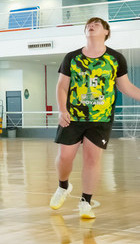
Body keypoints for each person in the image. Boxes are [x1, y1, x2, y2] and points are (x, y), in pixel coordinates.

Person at [50, 17, 140, 219]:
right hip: (73, 116)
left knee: (92, 159)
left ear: (106, 32)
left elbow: (126, 87)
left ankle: (86, 202)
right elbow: (62, 87)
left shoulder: (115, 59)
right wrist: (62, 109)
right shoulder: (72, 57)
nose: (91, 26)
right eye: (88, 25)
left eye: (96, 24)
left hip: (101, 118)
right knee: (64, 157)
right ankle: (63, 186)